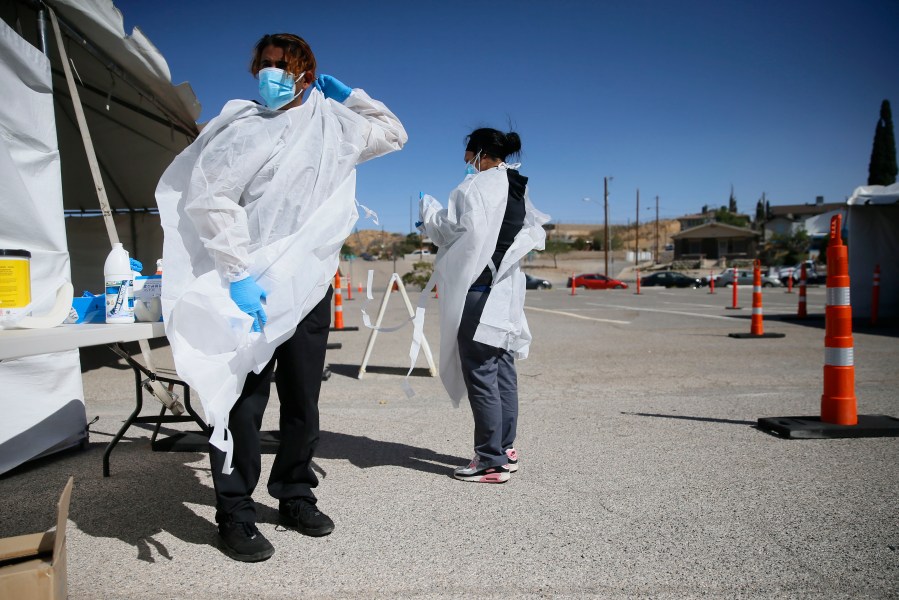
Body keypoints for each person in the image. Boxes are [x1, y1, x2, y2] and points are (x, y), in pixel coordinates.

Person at [156, 33, 406, 561]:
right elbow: (212, 199)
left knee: (302, 399)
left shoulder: (335, 126)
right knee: (242, 403)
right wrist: (238, 275)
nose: (271, 74)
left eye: (282, 66)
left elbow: (394, 133)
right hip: (249, 283)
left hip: (310, 285)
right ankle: (235, 510)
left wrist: (350, 96)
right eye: (265, 64)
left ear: (306, 73)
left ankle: (294, 492)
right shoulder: (241, 126)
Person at [418, 128, 549, 483]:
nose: (464, 161)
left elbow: (460, 235)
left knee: (480, 372)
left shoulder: (472, 188)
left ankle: (490, 461)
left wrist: (428, 213)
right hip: (506, 292)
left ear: (480, 153)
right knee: (503, 370)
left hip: (480, 290)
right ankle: (505, 449)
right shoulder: (518, 187)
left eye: (468, 153)